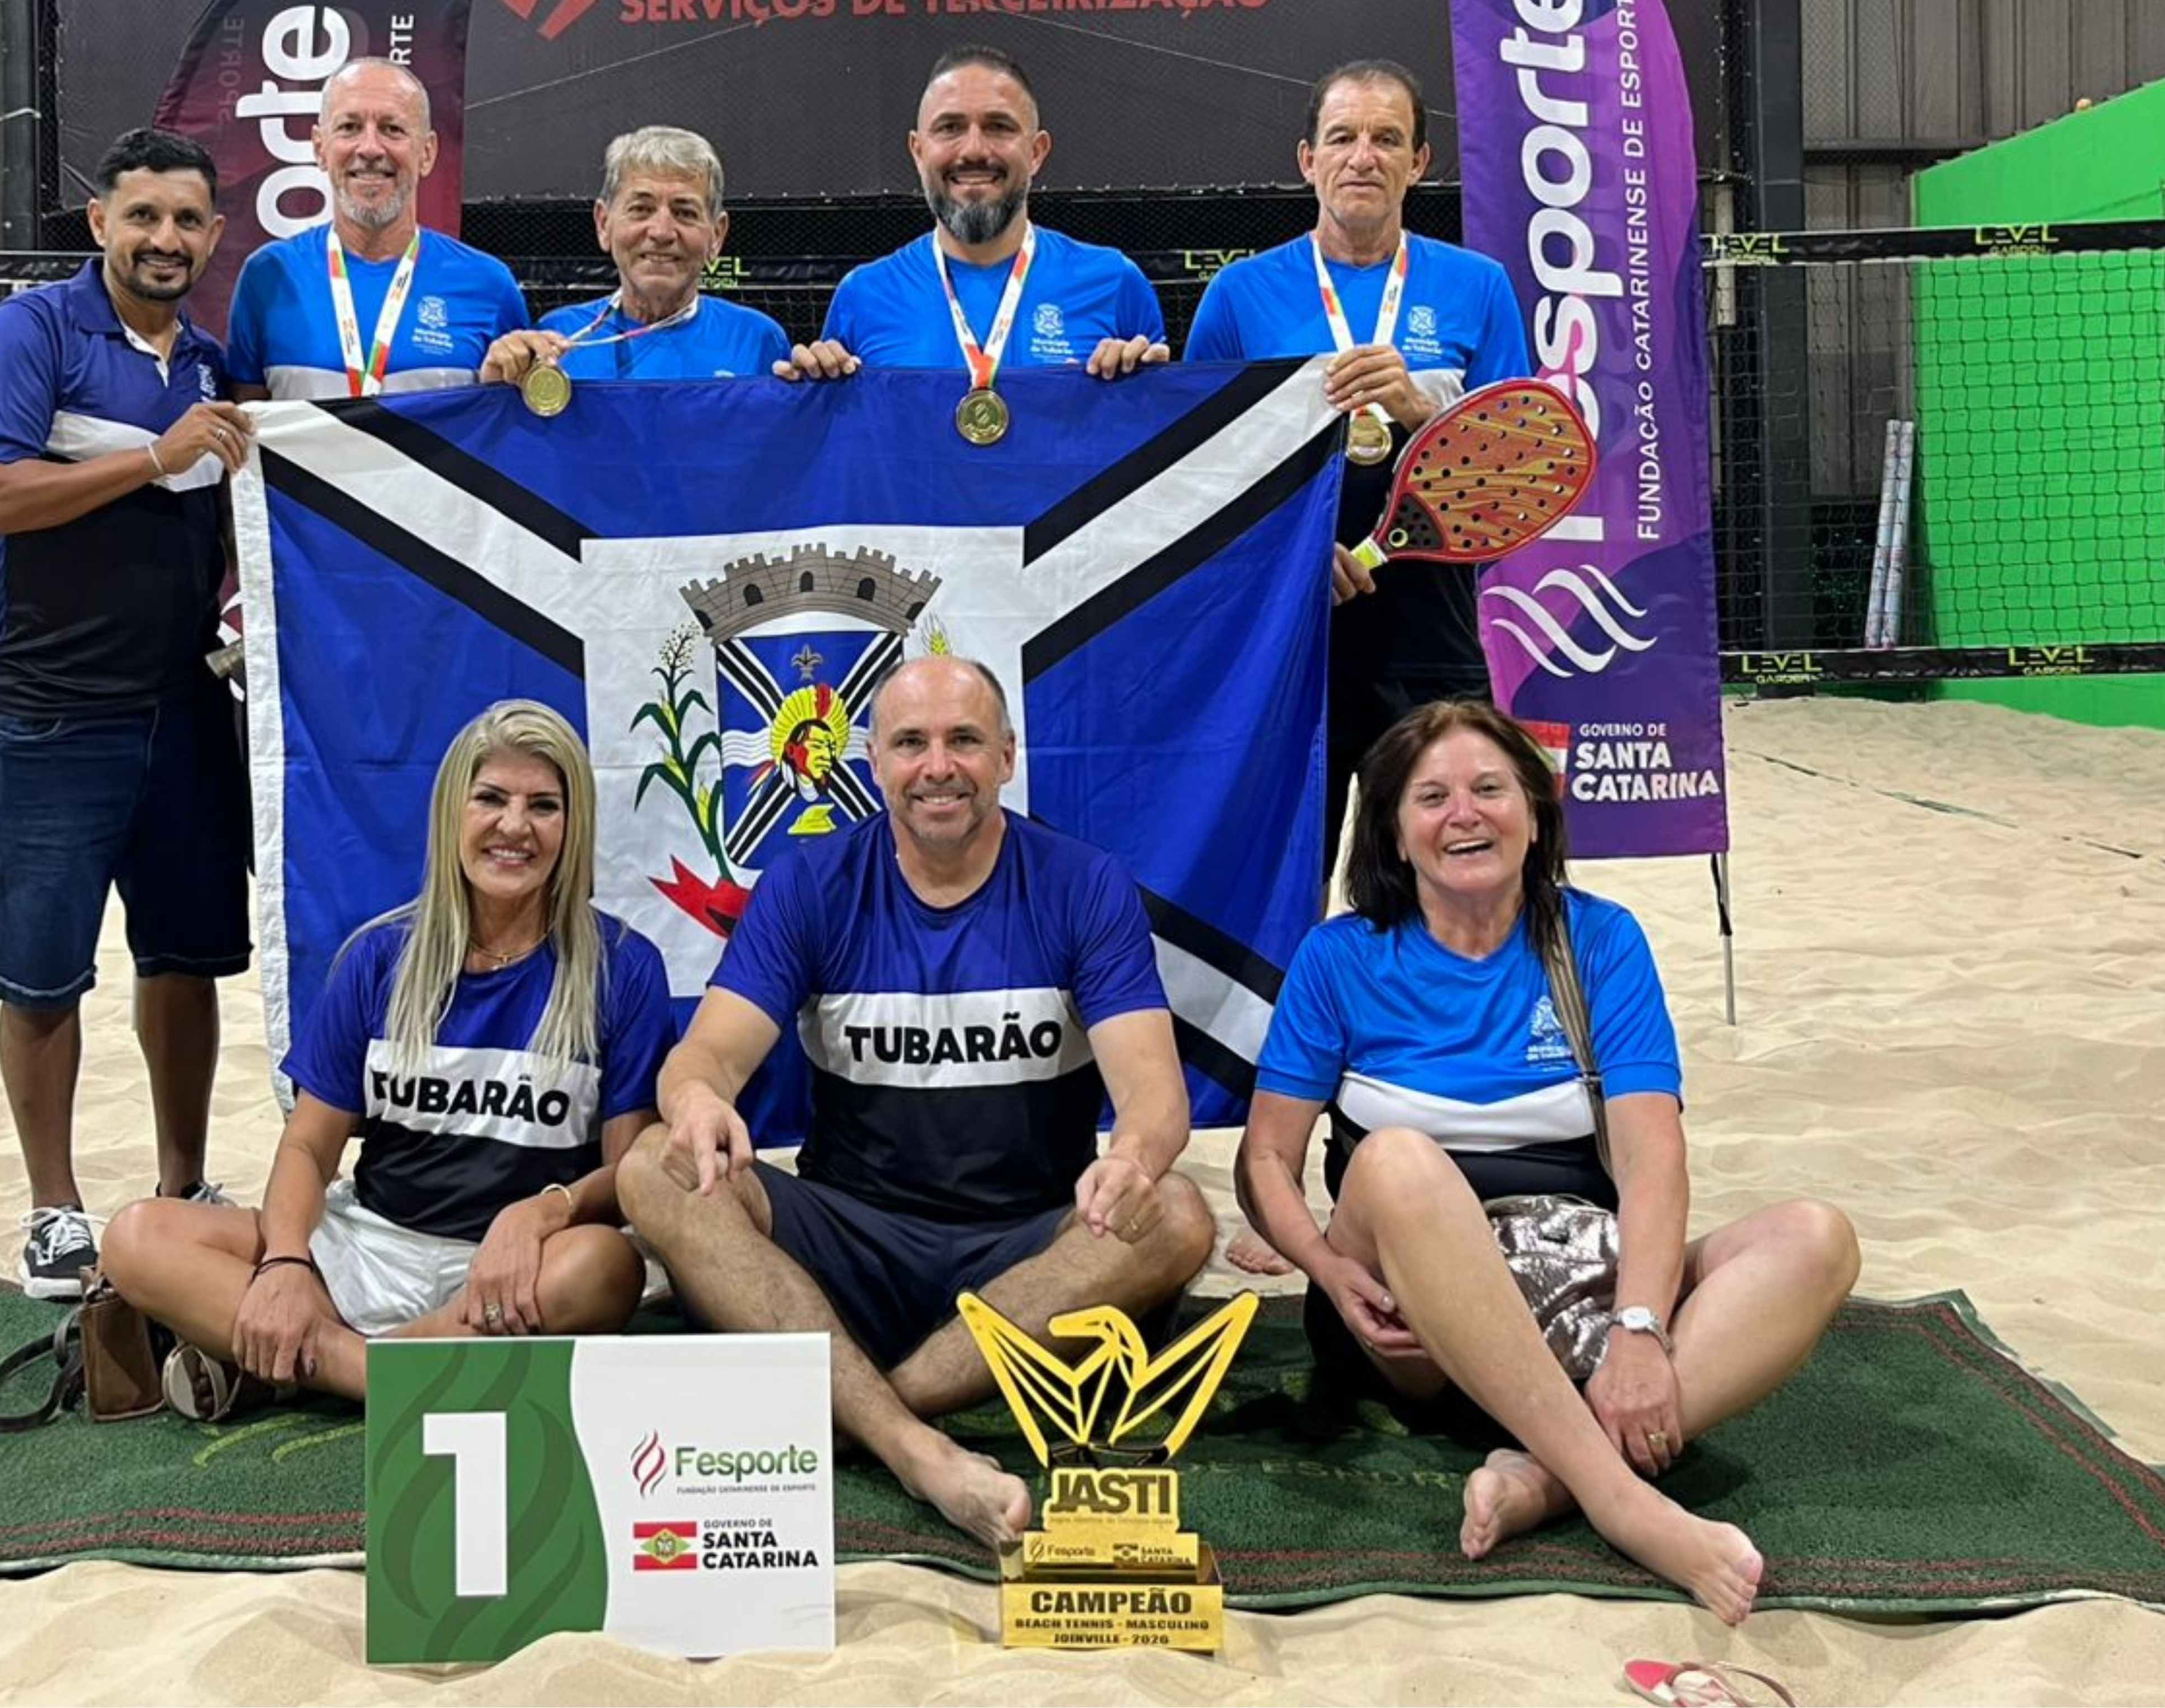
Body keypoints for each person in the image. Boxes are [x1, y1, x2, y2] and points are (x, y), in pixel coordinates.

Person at [1232, 699, 1861, 1627]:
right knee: (1401, 1160)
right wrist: (1322, 1264)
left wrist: (1641, 1326)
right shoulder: (1340, 958)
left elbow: (1652, 1157)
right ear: (1396, 835)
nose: (1465, 814)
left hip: (1583, 1284)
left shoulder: (1599, 940)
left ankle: (1548, 1476)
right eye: (1432, 796)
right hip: (1410, 1324)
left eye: (1490, 788)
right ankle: (1622, 1498)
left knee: (1817, 1236)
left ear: (1534, 809)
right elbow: (1267, 1159)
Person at [616, 655, 1216, 1549]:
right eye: (911, 742)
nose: (938, 765)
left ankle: (871, 1404)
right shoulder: (811, 883)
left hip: (1029, 1245)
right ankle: (911, 1447)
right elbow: (701, 1055)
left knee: (1175, 1211)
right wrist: (699, 1097)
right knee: (652, 1168)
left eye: (964, 740)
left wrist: (1129, 1156)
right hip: (849, 1241)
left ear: (1007, 756)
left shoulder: (1084, 883)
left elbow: (1155, 1095)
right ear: (873, 761)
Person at [102, 701, 671, 1412]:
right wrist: (284, 1264)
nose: (514, 826)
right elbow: (308, 1147)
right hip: (367, 1242)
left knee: (605, 1269)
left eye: (544, 806)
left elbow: (628, 1174)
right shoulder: (379, 957)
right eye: (490, 798)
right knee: (136, 1235)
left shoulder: (623, 967)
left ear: (574, 825)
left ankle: (300, 1360)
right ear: (451, 814)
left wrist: (541, 1214)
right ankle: (382, 1374)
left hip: (510, 1270)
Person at [0, 127, 259, 1299]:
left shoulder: (210, 365)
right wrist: (152, 459)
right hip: (49, 715)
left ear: (213, 235)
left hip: (183, 712)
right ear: (100, 224)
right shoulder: (32, 331)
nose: (165, 239)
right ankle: (53, 1209)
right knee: (40, 977)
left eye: (187, 221)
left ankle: (182, 1190)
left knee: (183, 964)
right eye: (144, 218)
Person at [1186, 59, 1531, 883]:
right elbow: (1200, 483)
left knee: (1436, 876)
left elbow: (1517, 477)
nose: (1362, 157)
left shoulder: (1477, 287)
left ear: (1419, 162)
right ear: (1308, 159)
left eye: (1387, 139)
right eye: (1342, 137)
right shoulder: (1239, 295)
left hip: (1431, 642)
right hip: (1285, 642)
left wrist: (1421, 411)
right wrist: (1292, 554)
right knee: (1279, 883)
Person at [779, 46, 1169, 385]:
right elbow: (849, 453)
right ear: (918, 152)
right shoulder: (862, 296)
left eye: (999, 127)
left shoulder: (1115, 283)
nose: (974, 150)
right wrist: (809, 398)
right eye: (949, 128)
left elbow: (1169, 454)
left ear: (1036, 152)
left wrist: (1139, 395)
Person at [225, 59, 526, 401]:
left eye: (392, 129)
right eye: (350, 127)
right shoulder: (268, 277)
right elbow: (247, 432)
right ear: (320, 148)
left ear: (427, 153)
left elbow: (505, 431)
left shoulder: (489, 285)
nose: (369, 148)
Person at [480, 126, 788, 391]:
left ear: (717, 236)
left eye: (685, 213)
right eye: (641, 209)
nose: (662, 232)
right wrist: (494, 389)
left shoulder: (758, 341)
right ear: (604, 224)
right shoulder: (555, 339)